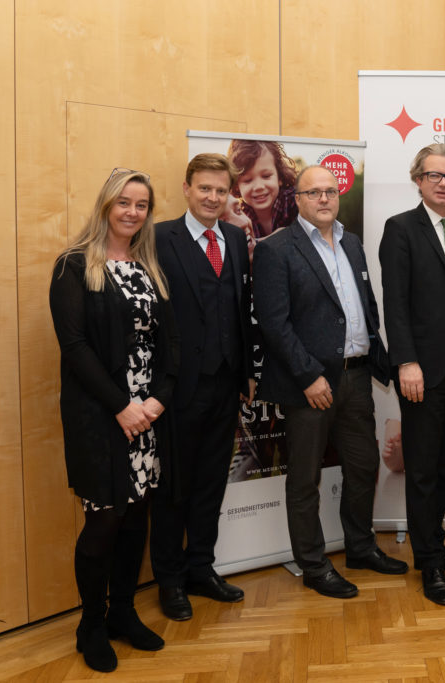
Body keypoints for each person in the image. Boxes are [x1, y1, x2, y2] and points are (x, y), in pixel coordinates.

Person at [253, 165, 405, 599]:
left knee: (363, 466)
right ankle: (314, 565)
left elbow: (363, 304)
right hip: (310, 386)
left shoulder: (351, 242)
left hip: (356, 379)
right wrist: (308, 376)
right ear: (296, 198)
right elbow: (274, 324)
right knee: (305, 479)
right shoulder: (276, 249)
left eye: (330, 191)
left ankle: (360, 547)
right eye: (313, 192)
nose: (324, 198)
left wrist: (378, 355)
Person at [49, 168, 178, 672]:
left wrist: (158, 400)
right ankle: (91, 625)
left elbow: (171, 346)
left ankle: (124, 613)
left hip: (147, 417)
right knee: (104, 522)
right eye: (123, 202)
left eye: (141, 205)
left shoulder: (151, 267)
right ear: (106, 204)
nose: (132, 212)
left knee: (136, 518)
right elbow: (75, 347)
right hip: (102, 418)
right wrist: (122, 405)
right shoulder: (74, 265)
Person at [379, 144, 445, 606]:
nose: (444, 183)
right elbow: (395, 302)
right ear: (418, 180)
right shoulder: (400, 229)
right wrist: (405, 362)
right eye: (434, 175)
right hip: (422, 368)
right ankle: (428, 564)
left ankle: (436, 545)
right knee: (421, 470)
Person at [150, 153, 254, 621]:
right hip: (176, 390)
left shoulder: (233, 237)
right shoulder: (156, 239)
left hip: (225, 385)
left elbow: (239, 309)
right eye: (205, 188)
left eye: (221, 190)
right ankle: (169, 581)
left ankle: (201, 569)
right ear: (187, 188)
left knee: (211, 483)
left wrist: (247, 372)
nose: (214, 197)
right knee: (174, 488)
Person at [227, 139, 299, 239]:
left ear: (280, 177)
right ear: (237, 186)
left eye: (266, 176)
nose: (259, 187)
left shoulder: (295, 201)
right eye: (248, 180)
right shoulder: (243, 215)